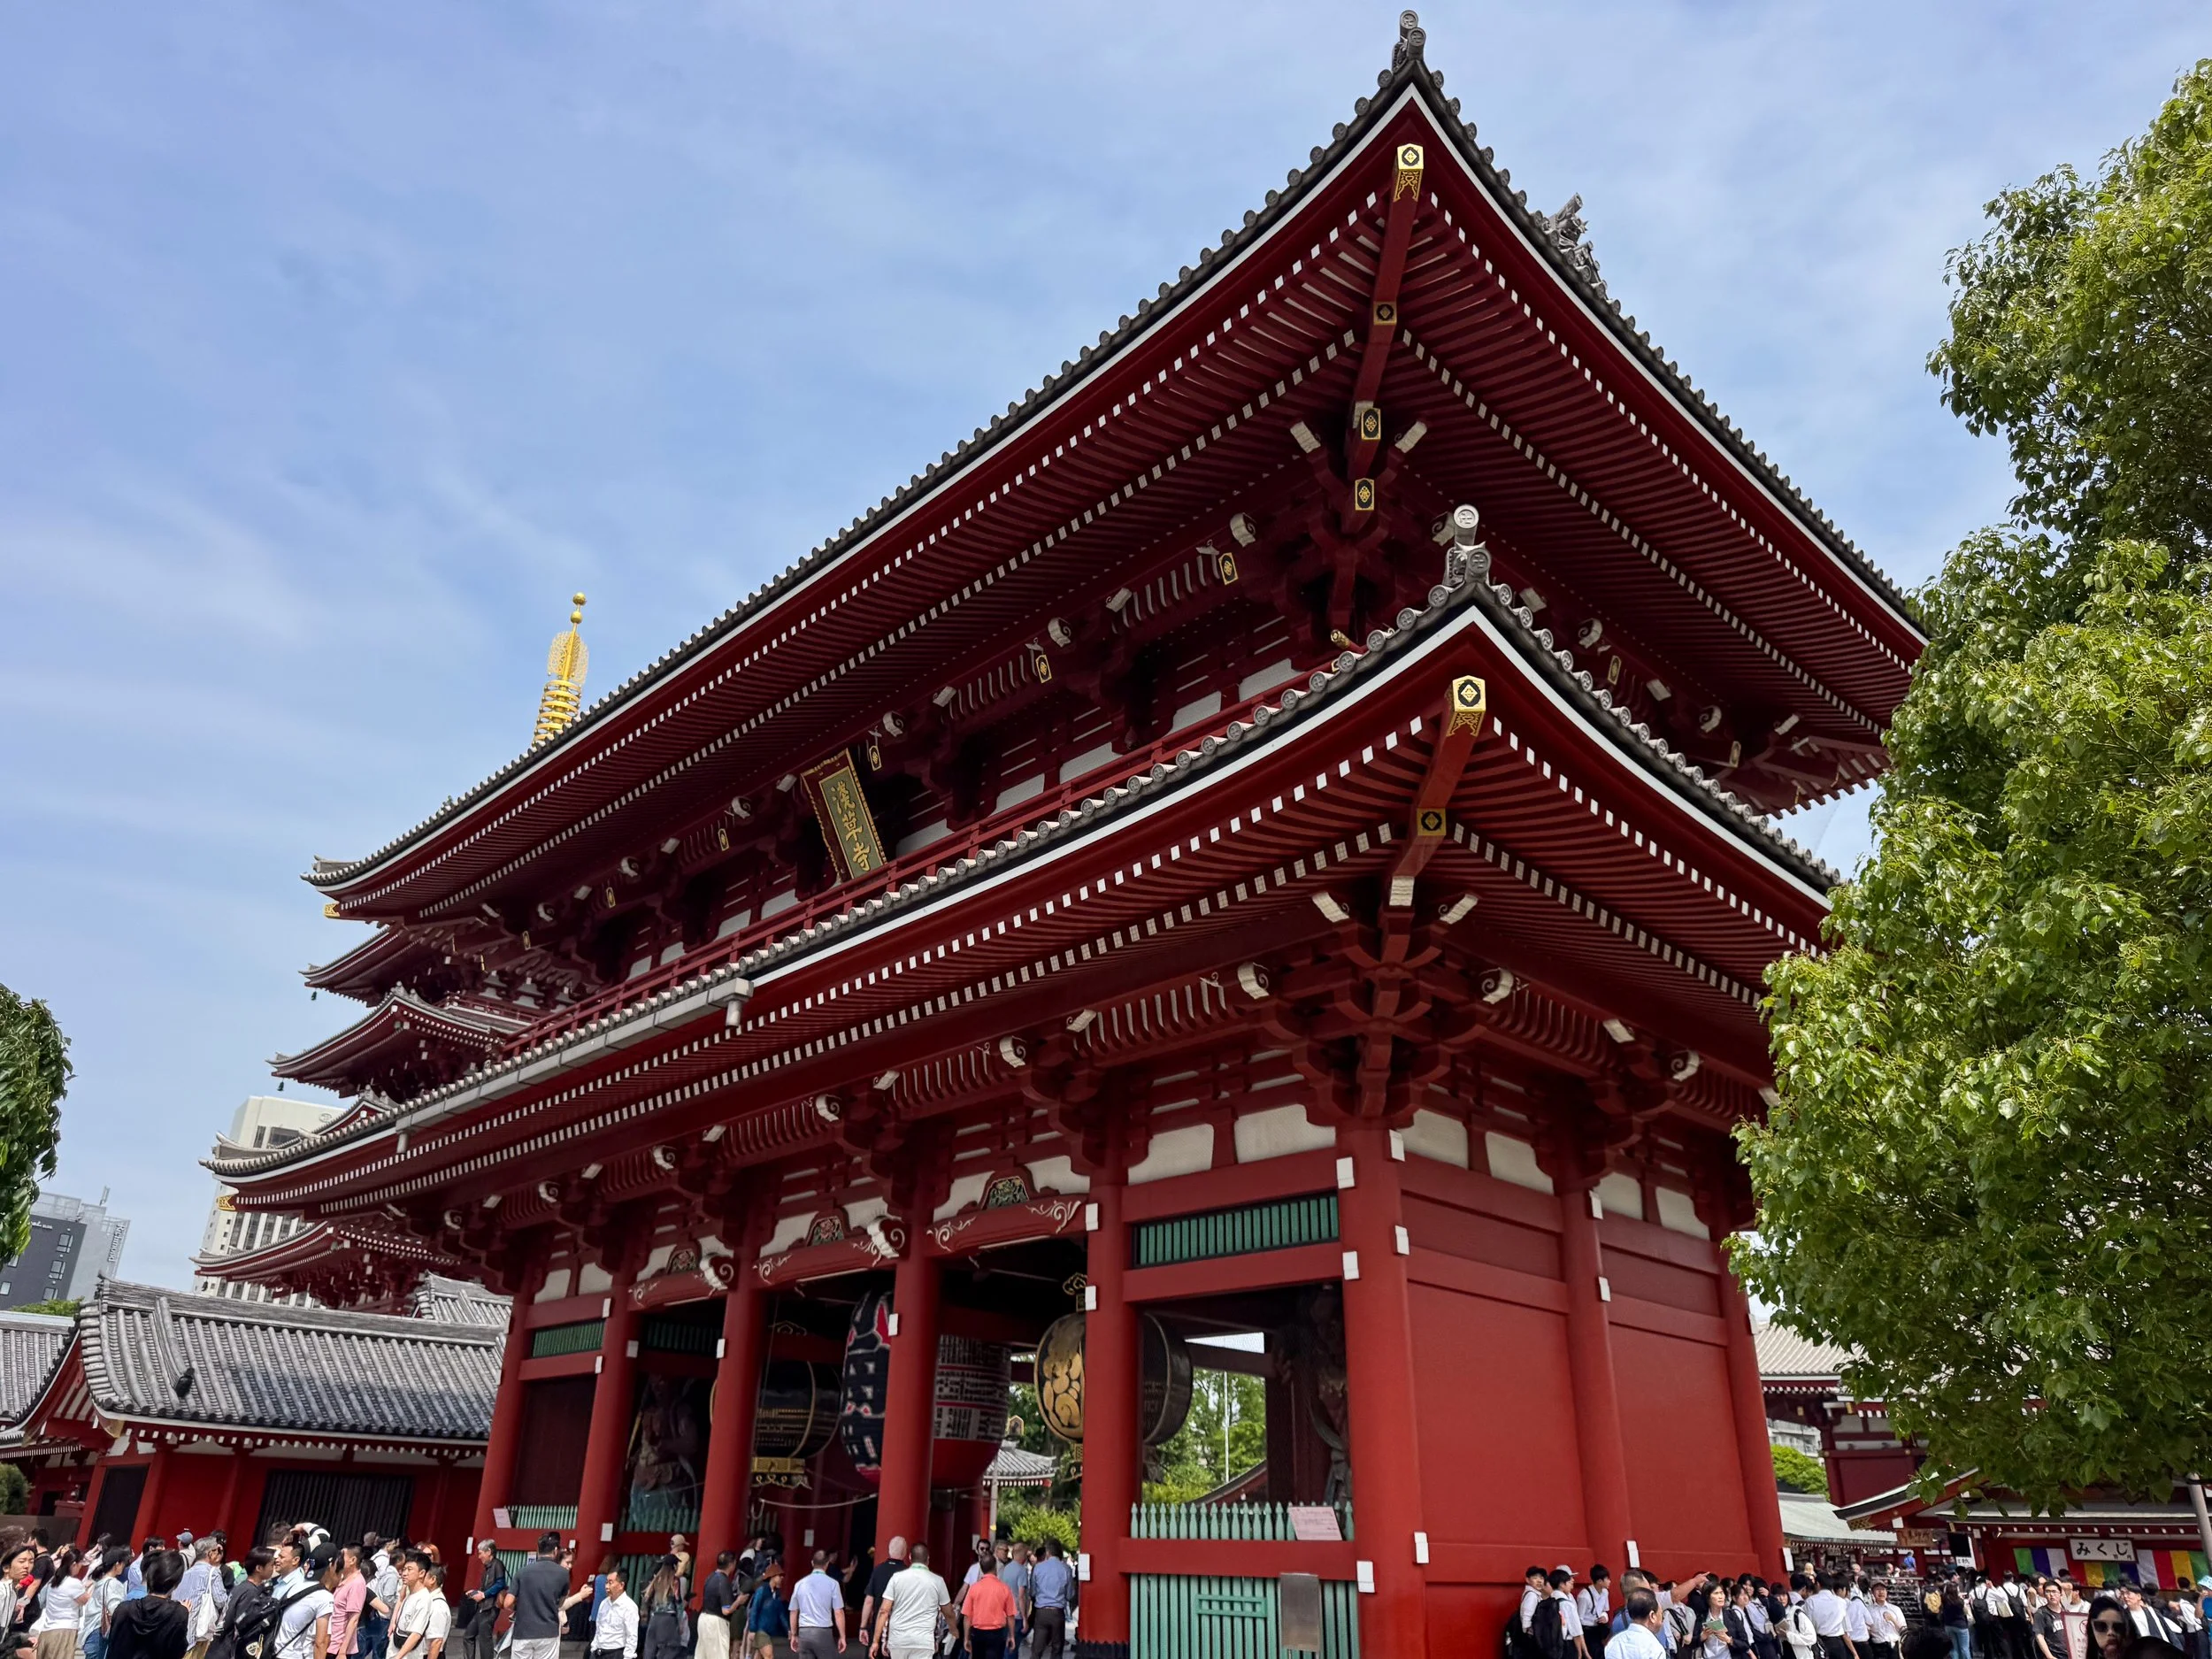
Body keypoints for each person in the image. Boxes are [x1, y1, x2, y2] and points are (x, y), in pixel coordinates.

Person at [870, 1547, 947, 1659]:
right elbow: (941, 1615)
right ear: (928, 1559)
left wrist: (877, 1641)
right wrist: (936, 1640)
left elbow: (884, 1611)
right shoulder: (937, 1581)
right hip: (923, 1641)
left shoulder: (896, 1578)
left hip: (898, 1639)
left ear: (910, 1557)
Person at [108, 1552, 189, 1659]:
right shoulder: (178, 1614)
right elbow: (177, 1652)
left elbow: (113, 1648)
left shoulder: (124, 1608)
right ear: (176, 1583)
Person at [508, 1535, 569, 1659]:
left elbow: (507, 1602)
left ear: (537, 1550)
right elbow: (561, 1603)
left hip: (523, 1631)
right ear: (555, 1551)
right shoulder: (563, 1574)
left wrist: (518, 1607)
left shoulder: (522, 1572)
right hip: (548, 1631)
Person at [272, 1552, 338, 1659]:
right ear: (331, 1567)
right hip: (293, 1655)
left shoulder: (296, 1585)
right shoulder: (324, 1597)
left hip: (275, 1650)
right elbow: (320, 1643)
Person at [957, 1555, 1015, 1659]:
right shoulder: (1004, 1588)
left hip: (977, 1634)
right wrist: (1011, 1636)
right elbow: (1010, 1615)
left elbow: (967, 1616)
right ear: (995, 1567)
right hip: (997, 1634)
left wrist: (966, 1638)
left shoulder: (974, 1588)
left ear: (981, 1569)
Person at [33, 1553, 88, 1659]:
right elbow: (85, 1600)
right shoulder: (73, 1583)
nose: (81, 1568)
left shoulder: (55, 1580)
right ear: (74, 1564)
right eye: (80, 1564)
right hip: (64, 1631)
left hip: (47, 1630)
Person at [855, 1539, 905, 1657]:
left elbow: (868, 1601)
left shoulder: (878, 1570)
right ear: (905, 1553)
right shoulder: (907, 1573)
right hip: (900, 1628)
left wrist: (863, 1627)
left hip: (878, 1625)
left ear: (889, 1550)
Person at [786, 1554, 842, 1659]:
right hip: (823, 1632)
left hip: (804, 1632)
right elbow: (838, 1612)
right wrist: (842, 1636)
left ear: (812, 1563)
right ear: (827, 1564)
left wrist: (794, 1634)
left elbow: (793, 1611)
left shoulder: (799, 1584)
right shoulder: (833, 1584)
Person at [1025, 1541, 1071, 1659]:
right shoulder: (1066, 1569)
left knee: (1037, 1649)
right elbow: (1069, 1595)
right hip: (1058, 1612)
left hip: (1041, 1612)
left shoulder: (1038, 1567)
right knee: (1057, 1648)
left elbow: (1033, 1592)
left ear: (1048, 1552)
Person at [87, 1554, 133, 1659]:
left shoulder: (101, 1580)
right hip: (100, 1632)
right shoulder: (113, 1583)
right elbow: (115, 1609)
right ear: (117, 1564)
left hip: (92, 1630)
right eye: (123, 1564)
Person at [635, 1560, 684, 1659]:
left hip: (654, 1619)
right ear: (675, 1566)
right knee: (669, 1650)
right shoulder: (674, 1581)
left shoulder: (656, 1580)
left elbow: (646, 1599)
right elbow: (678, 1601)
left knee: (649, 1650)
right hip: (668, 1620)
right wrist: (680, 1623)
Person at [326, 1548, 368, 1659]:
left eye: (342, 1557)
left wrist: (342, 1651)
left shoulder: (357, 1583)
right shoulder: (341, 1578)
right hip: (329, 1640)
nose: (338, 1560)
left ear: (353, 1560)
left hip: (337, 1647)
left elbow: (353, 1620)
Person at [695, 1554, 738, 1659]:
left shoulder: (710, 1577)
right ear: (731, 1564)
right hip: (716, 1622)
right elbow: (726, 1611)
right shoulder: (723, 1581)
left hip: (704, 1618)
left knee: (702, 1654)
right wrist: (738, 1602)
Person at [587, 1569, 635, 1659]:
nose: (607, 1586)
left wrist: (628, 1657)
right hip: (599, 1652)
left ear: (621, 1585)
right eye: (606, 1583)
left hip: (616, 1653)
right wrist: (594, 1648)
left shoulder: (629, 1606)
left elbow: (631, 1636)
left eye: (610, 1583)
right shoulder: (604, 1603)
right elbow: (599, 1628)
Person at [738, 1565, 784, 1659]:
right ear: (773, 1576)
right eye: (780, 1575)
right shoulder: (762, 1590)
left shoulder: (776, 1593)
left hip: (765, 1627)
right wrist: (753, 1629)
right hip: (757, 1625)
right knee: (763, 1653)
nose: (782, 1578)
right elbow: (754, 1609)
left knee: (759, 1654)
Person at [1807, 1575, 1857, 1659]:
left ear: (1818, 1584)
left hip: (1819, 1642)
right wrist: (1854, 1653)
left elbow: (1809, 1625)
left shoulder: (1810, 1601)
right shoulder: (1841, 1602)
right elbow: (1846, 1629)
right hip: (1837, 1643)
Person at [1610, 1590, 1671, 1659]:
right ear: (1652, 1616)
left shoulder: (1614, 1642)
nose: (1662, 1621)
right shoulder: (1655, 1648)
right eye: (1661, 1614)